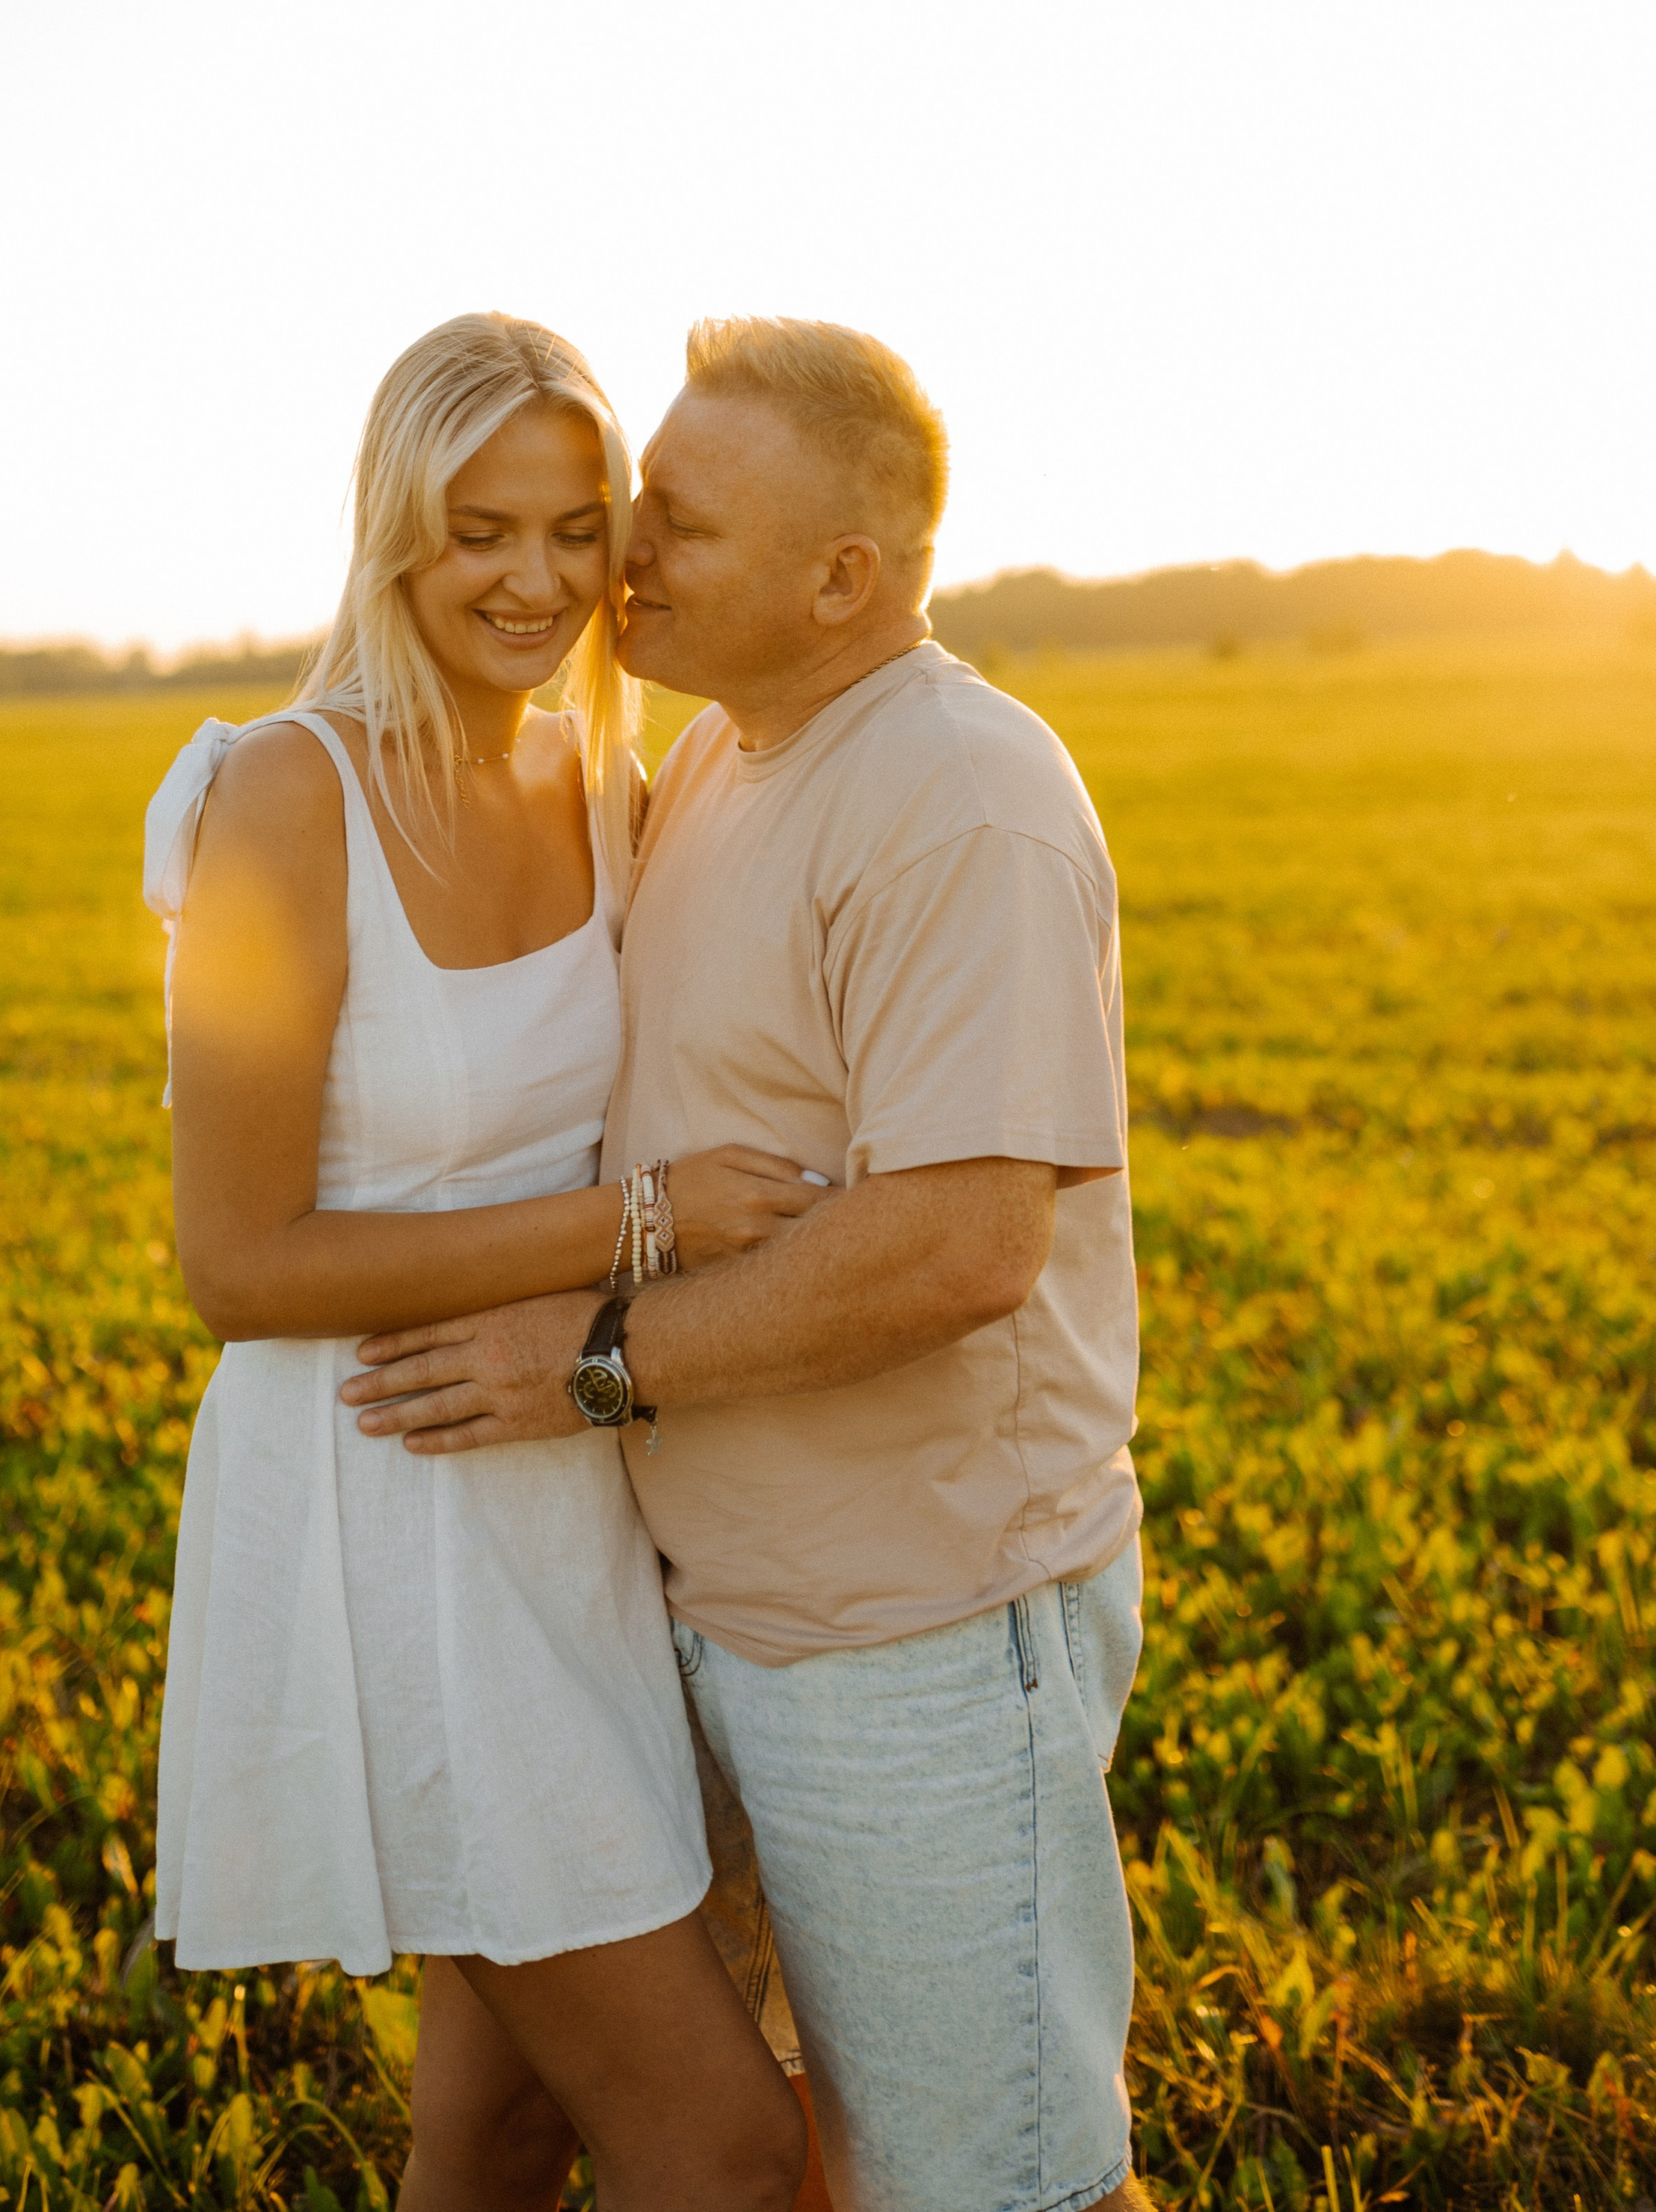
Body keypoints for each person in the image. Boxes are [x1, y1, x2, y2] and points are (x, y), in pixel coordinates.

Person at [343, 317, 1154, 2212]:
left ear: (840, 577)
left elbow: (956, 1244)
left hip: (917, 1634)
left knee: (984, 2182)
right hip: (695, 1607)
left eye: (678, 524)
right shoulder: (720, 754)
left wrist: (594, 1358)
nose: (625, 554)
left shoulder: (960, 793)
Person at [144, 313, 816, 2212]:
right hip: (388, 1501)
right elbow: (237, 1260)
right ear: (393, 536)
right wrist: (639, 1226)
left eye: (572, 527)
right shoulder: (283, 797)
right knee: (727, 2147)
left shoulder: (610, 792)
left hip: (569, 1499)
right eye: (478, 532)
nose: (533, 580)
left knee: (501, 2123)